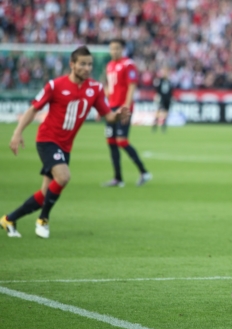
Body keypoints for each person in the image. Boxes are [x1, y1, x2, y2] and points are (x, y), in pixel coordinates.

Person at [1, 46, 130, 239]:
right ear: (72, 64)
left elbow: (108, 116)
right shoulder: (55, 86)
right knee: (63, 176)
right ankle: (43, 220)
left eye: (89, 65)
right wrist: (17, 133)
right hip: (47, 140)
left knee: (45, 194)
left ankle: (8, 219)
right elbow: (33, 109)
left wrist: (118, 116)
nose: (87, 68)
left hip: (65, 146)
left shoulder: (94, 89)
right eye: (82, 64)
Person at [102, 38, 151, 187]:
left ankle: (144, 173)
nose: (113, 51)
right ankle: (118, 178)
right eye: (111, 48)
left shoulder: (128, 64)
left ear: (122, 49)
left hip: (122, 107)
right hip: (111, 108)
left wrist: (127, 106)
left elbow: (131, 86)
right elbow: (109, 89)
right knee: (111, 141)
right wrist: (102, 107)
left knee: (122, 140)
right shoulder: (110, 65)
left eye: (116, 48)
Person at [152, 67, 173, 133]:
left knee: (166, 112)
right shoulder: (160, 80)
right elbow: (157, 89)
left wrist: (171, 97)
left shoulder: (169, 81)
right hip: (162, 98)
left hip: (168, 99)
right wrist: (157, 96)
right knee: (159, 111)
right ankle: (155, 124)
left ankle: (163, 126)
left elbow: (171, 90)